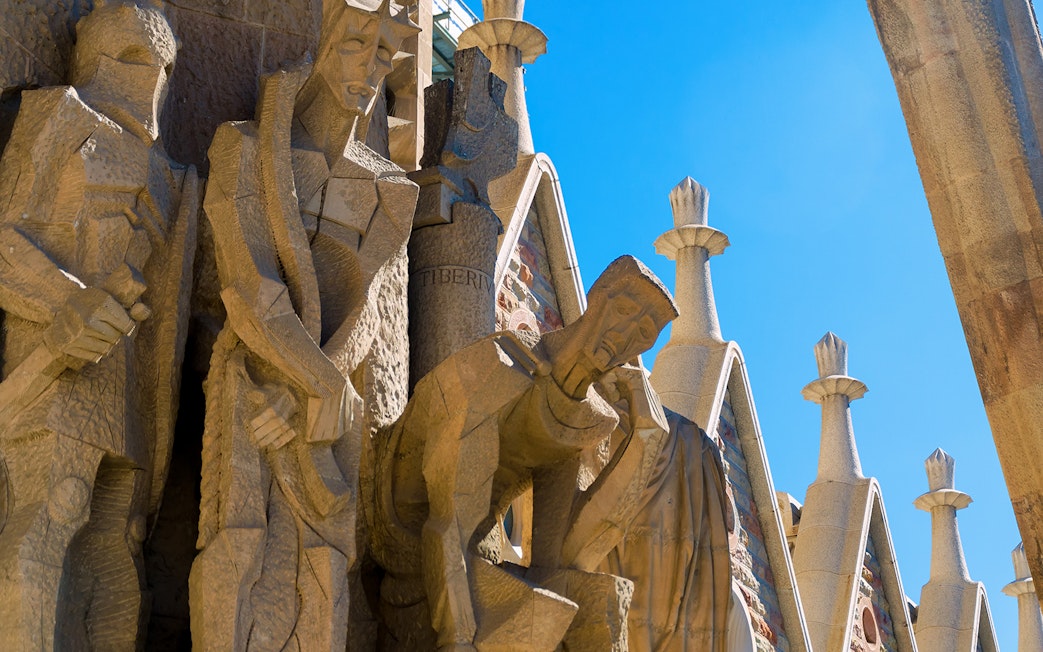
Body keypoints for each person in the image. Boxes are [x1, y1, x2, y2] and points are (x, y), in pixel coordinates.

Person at [188, 0, 420, 649]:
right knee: (239, 545)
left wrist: (318, 390)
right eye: (355, 44)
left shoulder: (390, 191)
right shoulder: (247, 146)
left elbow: (363, 305)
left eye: (383, 54)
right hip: (254, 383)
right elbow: (251, 287)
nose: (368, 67)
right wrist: (304, 385)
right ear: (322, 45)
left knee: (322, 563)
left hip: (327, 411)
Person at [0, 2, 198, 647]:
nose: (151, 80)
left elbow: (167, 317)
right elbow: (7, 238)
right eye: (135, 59)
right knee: (50, 518)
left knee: (117, 548)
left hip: (126, 389)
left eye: (163, 67)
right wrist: (65, 302)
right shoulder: (61, 116)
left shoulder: (173, 178)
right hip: (54, 370)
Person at [372, 255, 680, 650]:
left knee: (595, 608)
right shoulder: (503, 367)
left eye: (644, 332)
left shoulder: (584, 418)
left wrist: (647, 441)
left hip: (473, 551)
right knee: (538, 618)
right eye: (622, 311)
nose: (625, 336)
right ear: (597, 298)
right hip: (409, 539)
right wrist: (458, 640)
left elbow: (562, 558)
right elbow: (446, 524)